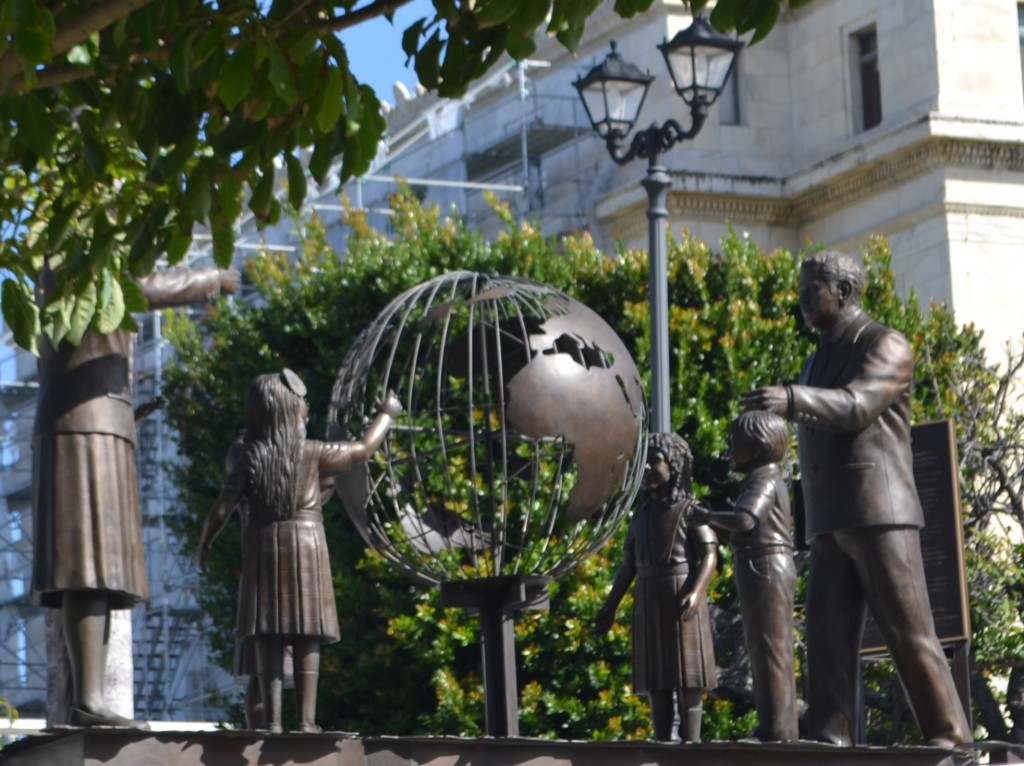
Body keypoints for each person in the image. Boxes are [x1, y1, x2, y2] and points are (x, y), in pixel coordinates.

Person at [742, 250, 971, 748]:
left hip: (879, 511)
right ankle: (832, 732)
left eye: (811, 291)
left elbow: (857, 405)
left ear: (843, 292)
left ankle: (950, 735)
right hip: (828, 517)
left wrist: (792, 398)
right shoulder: (815, 358)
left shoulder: (885, 344)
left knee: (907, 631)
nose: (802, 301)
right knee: (826, 638)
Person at [31, 265, 239, 728]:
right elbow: (136, 289)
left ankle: (86, 698)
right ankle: (86, 701)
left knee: (101, 573)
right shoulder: (77, 256)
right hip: (86, 424)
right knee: (87, 568)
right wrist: (214, 279)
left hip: (99, 423)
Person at [198, 370, 401, 734]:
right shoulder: (314, 452)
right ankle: (307, 721)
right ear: (289, 408)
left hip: (262, 547)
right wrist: (387, 414)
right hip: (306, 545)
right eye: (303, 402)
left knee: (268, 632)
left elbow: (221, 509)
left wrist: (206, 541)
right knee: (308, 632)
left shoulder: (249, 458)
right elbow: (365, 449)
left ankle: (272, 723)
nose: (307, 407)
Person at [595, 432, 717, 743]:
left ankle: (692, 742)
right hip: (648, 598)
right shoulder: (641, 517)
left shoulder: (691, 509)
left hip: (681, 595)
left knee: (688, 676)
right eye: (644, 462)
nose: (647, 468)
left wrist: (696, 590)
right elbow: (628, 566)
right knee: (656, 677)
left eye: (655, 461)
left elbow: (709, 555)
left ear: (674, 465)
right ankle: (662, 740)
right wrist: (610, 606)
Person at [689, 411, 797, 742]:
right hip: (758, 565)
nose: (729, 450)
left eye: (735, 444)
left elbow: (747, 520)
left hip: (765, 567)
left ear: (756, 448)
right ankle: (773, 726)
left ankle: (778, 731)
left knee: (771, 649)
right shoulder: (758, 480)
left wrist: (707, 516)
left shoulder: (764, 480)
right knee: (762, 648)